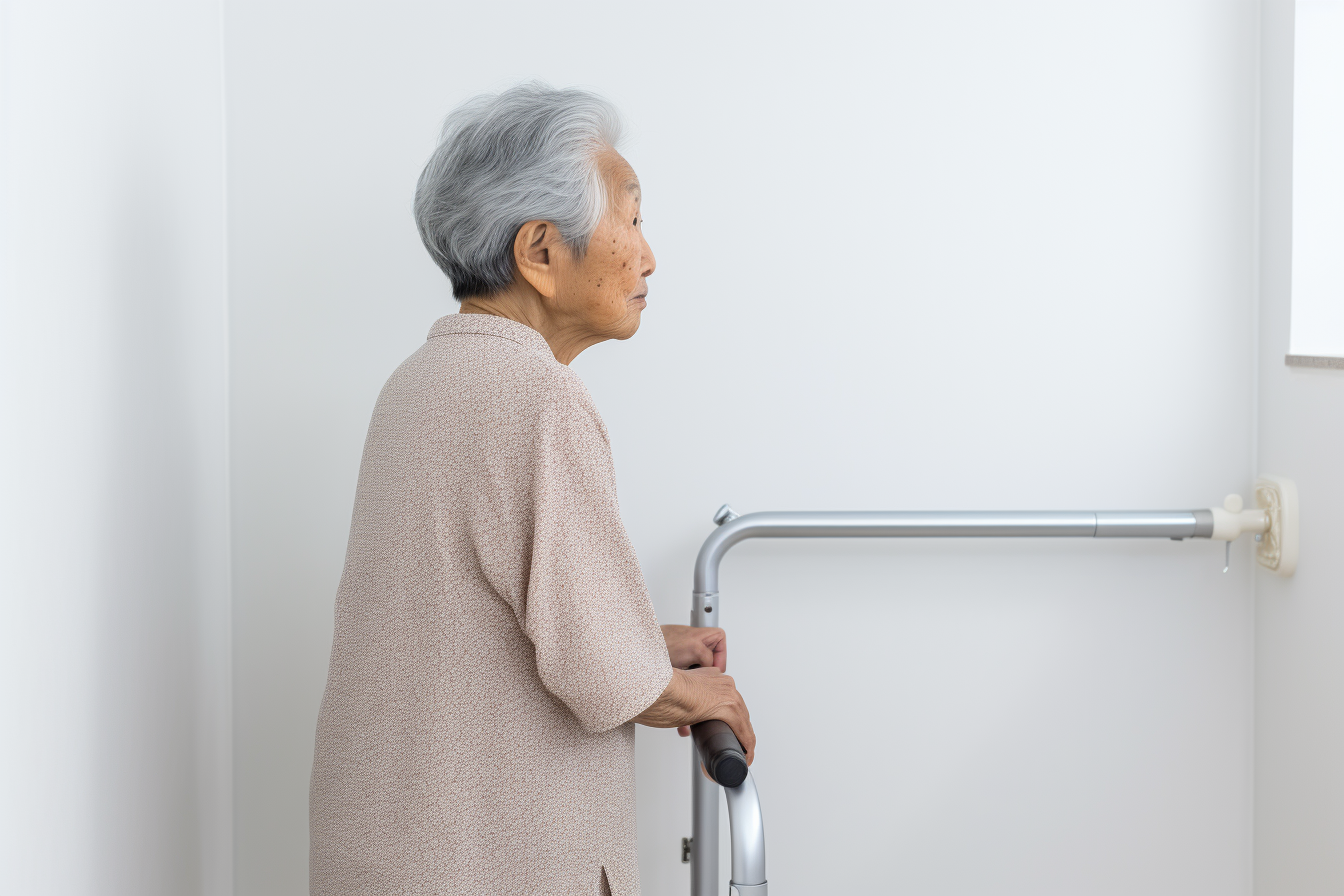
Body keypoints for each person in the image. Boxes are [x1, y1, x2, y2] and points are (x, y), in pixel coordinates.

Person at [308, 82, 755, 896]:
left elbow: (468, 618)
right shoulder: (535, 394)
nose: (649, 255)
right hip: (489, 867)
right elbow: (601, 676)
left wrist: (640, 639)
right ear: (541, 252)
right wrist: (696, 692)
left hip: (391, 852)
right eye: (632, 217)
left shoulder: (419, 382)